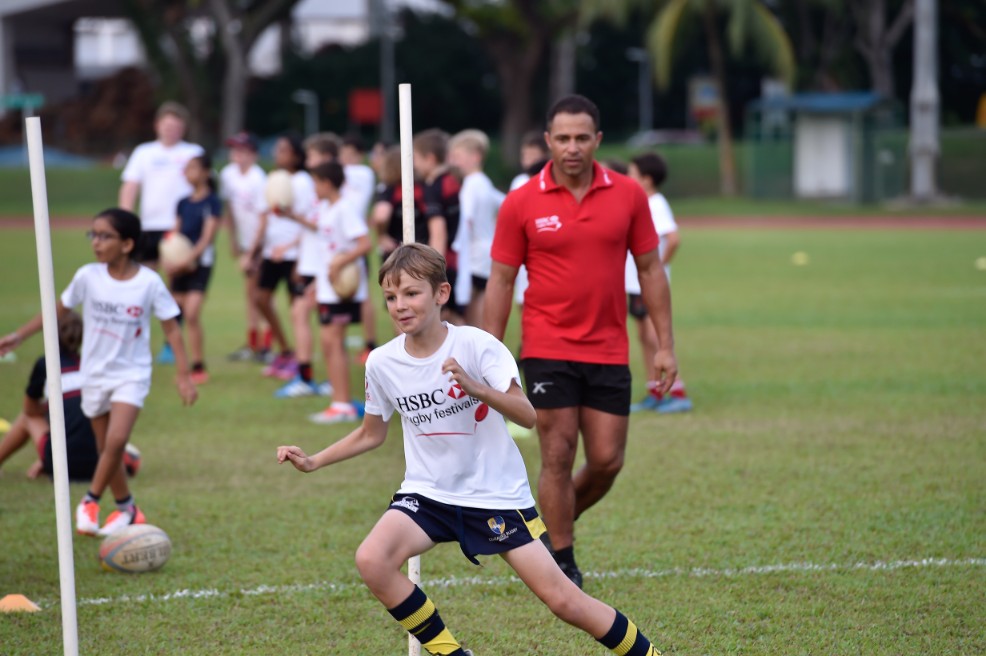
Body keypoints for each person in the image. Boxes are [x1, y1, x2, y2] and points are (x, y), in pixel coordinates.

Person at [277, 243, 666, 656]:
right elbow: (371, 434)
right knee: (372, 559)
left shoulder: (477, 346)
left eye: (411, 293)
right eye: (390, 297)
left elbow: (527, 415)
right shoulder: (381, 363)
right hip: (428, 493)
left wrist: (476, 387)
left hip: (493, 495)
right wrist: (314, 461)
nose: (400, 306)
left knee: (564, 601)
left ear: (441, 293)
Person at [483, 94, 678, 588]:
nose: (572, 147)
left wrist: (665, 345)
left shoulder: (628, 195)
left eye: (582, 138)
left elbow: (651, 270)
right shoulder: (521, 200)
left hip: (609, 347)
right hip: (546, 346)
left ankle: (548, 526)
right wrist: (488, 352)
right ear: (549, 141)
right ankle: (563, 560)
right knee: (558, 451)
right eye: (563, 138)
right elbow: (501, 280)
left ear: (598, 140)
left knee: (608, 460)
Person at [0, 208, 197, 536]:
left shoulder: (149, 283)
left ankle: (89, 500)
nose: (96, 242)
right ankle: (127, 508)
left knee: (117, 440)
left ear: (127, 244)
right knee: (106, 447)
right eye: (93, 234)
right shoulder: (87, 276)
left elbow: (173, 329)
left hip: (131, 374)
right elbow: (56, 311)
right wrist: (19, 336)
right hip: (93, 374)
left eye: (105, 236)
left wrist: (183, 375)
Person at [118, 101, 204, 365]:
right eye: (167, 125)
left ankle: (170, 344)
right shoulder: (144, 152)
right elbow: (130, 186)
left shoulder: (192, 152)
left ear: (183, 128)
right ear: (158, 126)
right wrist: (125, 220)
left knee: (175, 288)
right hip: (148, 227)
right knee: (140, 283)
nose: (171, 130)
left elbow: (204, 188)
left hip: (179, 230)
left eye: (176, 126)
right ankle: (134, 340)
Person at [627, 152, 692, 413]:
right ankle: (654, 391)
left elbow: (674, 238)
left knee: (655, 337)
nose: (628, 178)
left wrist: (660, 267)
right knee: (644, 336)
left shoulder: (656, 204)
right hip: (635, 284)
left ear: (647, 179)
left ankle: (677, 392)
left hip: (647, 284)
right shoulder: (643, 202)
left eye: (632, 174)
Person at [307, 162, 372, 424]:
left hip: (343, 289)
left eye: (315, 182)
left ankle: (342, 404)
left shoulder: (345, 208)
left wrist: (340, 263)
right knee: (327, 343)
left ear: (327, 183)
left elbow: (365, 244)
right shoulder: (327, 208)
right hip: (327, 289)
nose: (313, 187)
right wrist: (317, 282)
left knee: (334, 342)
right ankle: (339, 400)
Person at [0, 310, 99, 481]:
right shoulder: (91, 365)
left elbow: (30, 410)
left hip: (62, 464)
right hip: (98, 464)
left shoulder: (45, 364)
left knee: (27, 417)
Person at [271, 133, 331, 396]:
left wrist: (291, 215)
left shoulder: (322, 188)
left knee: (326, 325)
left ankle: (316, 380)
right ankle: (307, 377)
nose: (309, 160)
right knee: (301, 315)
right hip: (311, 264)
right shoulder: (315, 186)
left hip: (323, 266)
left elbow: (321, 226)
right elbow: (311, 227)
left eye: (314, 156)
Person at [250, 134, 308, 382]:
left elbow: (309, 221)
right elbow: (266, 217)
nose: (278, 154)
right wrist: (254, 251)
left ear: (296, 155)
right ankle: (285, 351)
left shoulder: (303, 182)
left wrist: (296, 252)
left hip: (293, 254)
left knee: (297, 310)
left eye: (283, 150)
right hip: (271, 253)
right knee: (261, 299)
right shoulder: (272, 179)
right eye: (277, 150)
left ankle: (301, 360)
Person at [165, 153, 221, 386]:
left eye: (193, 168)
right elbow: (174, 234)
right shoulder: (182, 202)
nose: (188, 172)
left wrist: (188, 260)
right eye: (186, 168)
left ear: (206, 173)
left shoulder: (212, 202)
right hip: (180, 265)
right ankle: (182, 366)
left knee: (192, 313)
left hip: (200, 264)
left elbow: (207, 239)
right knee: (174, 315)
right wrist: (168, 258)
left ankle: (198, 366)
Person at [220, 131, 271, 363]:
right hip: (245, 243)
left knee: (261, 295)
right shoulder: (228, 174)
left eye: (242, 150)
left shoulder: (258, 178)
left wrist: (252, 252)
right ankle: (253, 343)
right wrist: (233, 239)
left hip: (262, 243)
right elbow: (230, 208)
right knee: (250, 294)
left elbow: (263, 219)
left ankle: (265, 345)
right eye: (234, 149)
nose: (237, 154)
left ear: (253, 154)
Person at [448, 129, 505, 329]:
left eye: (457, 156)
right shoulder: (484, 181)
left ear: (475, 157)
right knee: (478, 305)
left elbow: (466, 220)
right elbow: (505, 202)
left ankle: (475, 347)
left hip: (474, 256)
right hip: (486, 253)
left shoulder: (472, 184)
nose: (453, 162)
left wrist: (455, 246)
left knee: (463, 312)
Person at [413, 128, 465, 323]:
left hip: (444, 259)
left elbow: (438, 231)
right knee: (454, 315)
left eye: (416, 158)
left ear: (430, 159)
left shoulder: (433, 187)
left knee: (440, 317)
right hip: (455, 257)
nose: (414, 164)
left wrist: (432, 267)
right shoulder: (452, 180)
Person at [339, 133, 378, 364]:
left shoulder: (363, 173)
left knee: (362, 295)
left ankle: (370, 344)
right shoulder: (346, 175)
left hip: (356, 243)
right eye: (343, 154)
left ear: (360, 156)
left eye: (350, 155)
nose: (346, 159)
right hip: (341, 243)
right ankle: (341, 342)